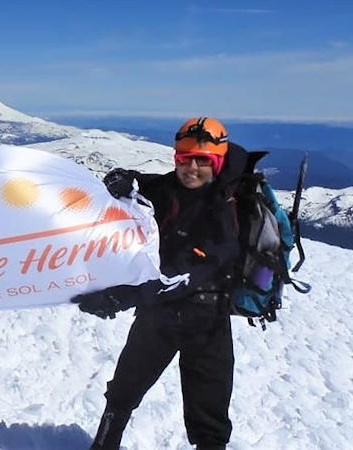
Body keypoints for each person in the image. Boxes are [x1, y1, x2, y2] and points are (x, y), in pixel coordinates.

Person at [72, 117, 248, 450]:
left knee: (208, 412)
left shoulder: (226, 209)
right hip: (160, 315)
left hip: (207, 319)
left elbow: (185, 274)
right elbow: (146, 184)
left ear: (218, 161)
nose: (191, 168)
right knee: (124, 389)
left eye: (202, 161)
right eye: (184, 159)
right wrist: (126, 179)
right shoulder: (171, 187)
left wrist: (121, 297)